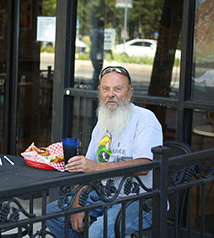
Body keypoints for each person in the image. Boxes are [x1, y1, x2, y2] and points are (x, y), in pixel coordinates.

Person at [46, 66, 163, 238]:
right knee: (53, 213)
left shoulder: (145, 119)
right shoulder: (103, 122)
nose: (111, 94)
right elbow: (85, 169)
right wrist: (79, 204)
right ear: (100, 93)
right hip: (105, 195)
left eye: (118, 89)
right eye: (106, 89)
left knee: (97, 231)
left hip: (140, 200)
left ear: (129, 93)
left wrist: (95, 167)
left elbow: (145, 165)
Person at [90, 19, 105, 90]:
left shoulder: (93, 32)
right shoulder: (102, 33)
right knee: (97, 71)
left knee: (96, 71)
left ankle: (94, 85)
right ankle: (94, 86)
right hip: (99, 55)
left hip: (92, 54)